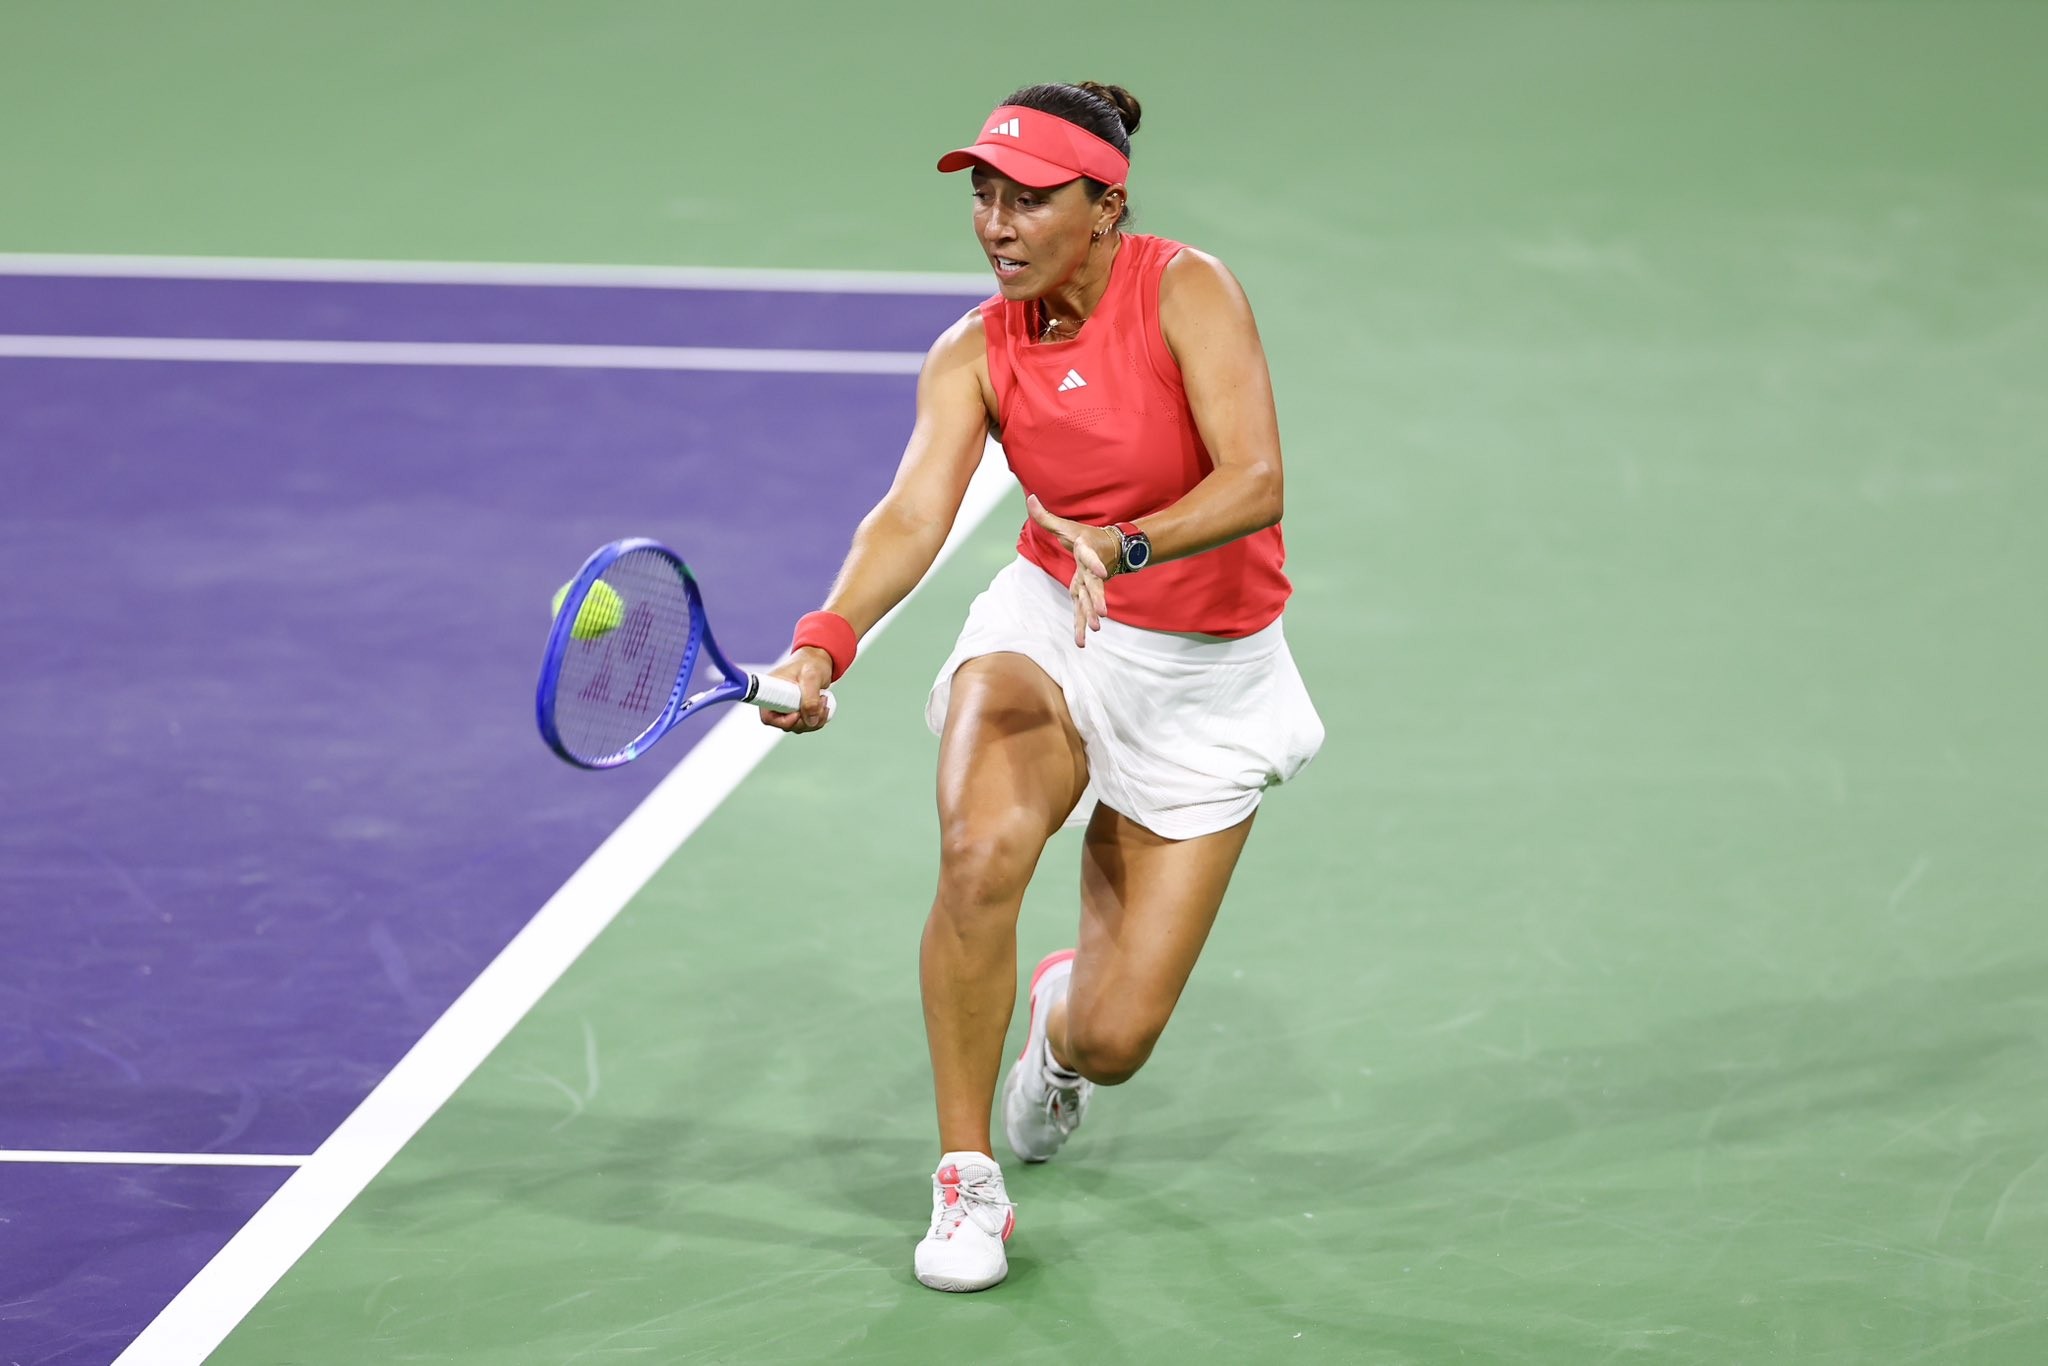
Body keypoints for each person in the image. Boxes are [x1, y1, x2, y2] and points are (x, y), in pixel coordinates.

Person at [763, 80, 1324, 1292]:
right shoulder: (973, 349)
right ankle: (965, 1180)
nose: (996, 223)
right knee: (978, 854)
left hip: (1204, 671)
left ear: (1104, 206)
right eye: (983, 195)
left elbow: (1255, 479)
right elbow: (912, 513)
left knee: (1116, 1039)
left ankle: (1057, 1031)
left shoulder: (1187, 291)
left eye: (1026, 199)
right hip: (1046, 627)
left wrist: (1125, 543)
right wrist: (822, 643)